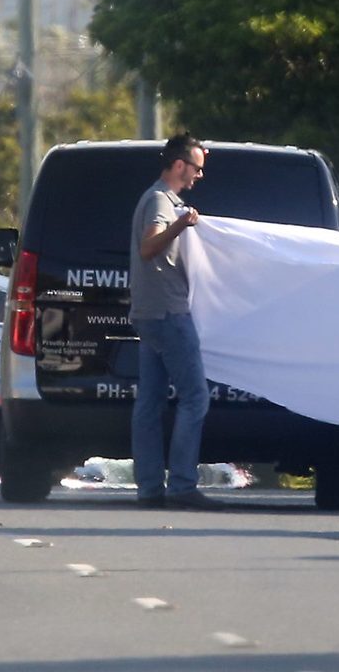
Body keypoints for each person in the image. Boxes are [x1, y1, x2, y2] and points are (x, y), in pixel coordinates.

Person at [128, 133, 225, 511]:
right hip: (167, 313)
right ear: (180, 165)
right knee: (195, 397)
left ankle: (150, 488)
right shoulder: (159, 201)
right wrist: (181, 225)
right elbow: (149, 247)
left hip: (149, 314)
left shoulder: (163, 200)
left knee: (149, 403)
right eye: (197, 168)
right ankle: (182, 484)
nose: (199, 176)